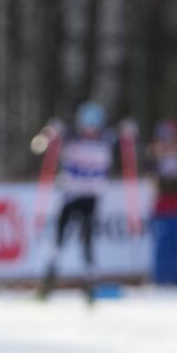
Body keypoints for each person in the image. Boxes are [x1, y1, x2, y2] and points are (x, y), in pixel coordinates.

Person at [34, 101, 113, 300]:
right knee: (58, 240)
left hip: (90, 199)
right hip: (70, 198)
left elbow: (121, 140)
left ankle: (90, 285)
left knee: (87, 241)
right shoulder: (71, 139)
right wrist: (50, 133)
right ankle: (47, 282)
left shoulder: (104, 142)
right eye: (87, 125)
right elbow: (42, 143)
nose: (91, 131)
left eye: (94, 126)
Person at [148, 120, 177, 286]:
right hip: (162, 208)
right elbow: (152, 181)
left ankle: (176, 277)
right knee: (162, 244)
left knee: (176, 245)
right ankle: (160, 277)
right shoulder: (155, 159)